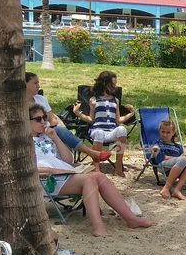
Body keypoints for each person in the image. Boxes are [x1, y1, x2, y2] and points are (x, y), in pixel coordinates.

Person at [30, 104, 153, 236]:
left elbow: (68, 161)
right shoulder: (23, 143)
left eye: (44, 117)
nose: (43, 121)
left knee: (99, 176)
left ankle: (131, 218)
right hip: (46, 180)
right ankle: (97, 227)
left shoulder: (47, 137)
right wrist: (52, 170)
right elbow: (30, 170)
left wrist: (55, 138)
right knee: (88, 180)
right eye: (38, 119)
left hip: (64, 175)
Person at [25, 72, 110, 164]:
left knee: (60, 131)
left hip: (46, 129)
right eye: (35, 83)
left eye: (38, 83)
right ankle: (92, 153)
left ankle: (92, 154)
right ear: (25, 84)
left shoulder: (41, 99)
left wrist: (47, 127)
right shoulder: (16, 105)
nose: (39, 85)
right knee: (61, 131)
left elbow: (52, 119)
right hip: (30, 132)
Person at [72, 71, 134, 176]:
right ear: (105, 84)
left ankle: (118, 167)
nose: (115, 86)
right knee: (99, 132)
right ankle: (96, 167)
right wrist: (77, 113)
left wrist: (131, 113)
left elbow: (118, 121)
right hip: (97, 131)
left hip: (111, 132)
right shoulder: (94, 99)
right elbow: (91, 119)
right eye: (113, 84)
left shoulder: (115, 100)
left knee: (122, 129)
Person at [149, 119, 186, 200]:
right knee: (183, 160)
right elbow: (163, 157)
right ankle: (166, 188)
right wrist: (155, 149)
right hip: (163, 165)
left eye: (168, 132)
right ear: (159, 131)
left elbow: (183, 161)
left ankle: (177, 189)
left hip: (177, 166)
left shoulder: (177, 146)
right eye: (162, 132)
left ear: (173, 133)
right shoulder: (157, 143)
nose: (165, 134)